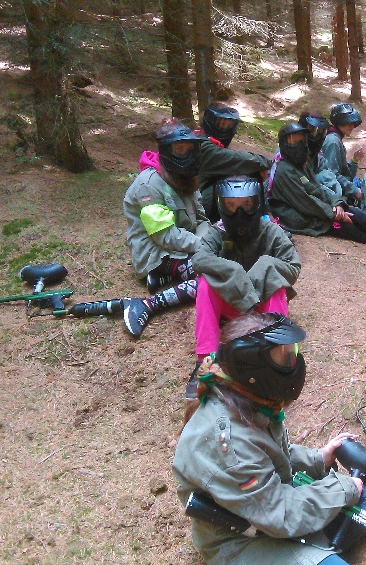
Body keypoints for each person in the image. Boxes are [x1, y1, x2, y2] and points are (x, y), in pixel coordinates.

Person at [172, 312, 366, 565]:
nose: (292, 361)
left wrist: (318, 459)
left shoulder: (248, 399)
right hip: (243, 540)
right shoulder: (231, 443)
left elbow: (272, 456)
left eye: (291, 352)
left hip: (266, 510)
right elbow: (280, 513)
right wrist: (342, 489)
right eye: (284, 356)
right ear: (254, 369)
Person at [186, 175, 301, 399]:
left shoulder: (271, 231)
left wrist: (265, 267)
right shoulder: (218, 232)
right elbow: (199, 260)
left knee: (277, 286)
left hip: (262, 309)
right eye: (231, 206)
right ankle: (205, 360)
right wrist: (233, 271)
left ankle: (278, 352)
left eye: (246, 205)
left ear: (257, 203)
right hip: (231, 306)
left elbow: (293, 266)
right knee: (205, 285)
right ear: (221, 205)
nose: (239, 213)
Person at [122, 119, 210, 338]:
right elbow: (164, 235)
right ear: (166, 150)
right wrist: (204, 246)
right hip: (157, 252)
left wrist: (209, 242)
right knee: (211, 277)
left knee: (222, 258)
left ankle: (160, 279)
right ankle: (148, 304)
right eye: (180, 148)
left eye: (190, 148)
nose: (187, 154)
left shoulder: (185, 178)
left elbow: (202, 219)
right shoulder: (149, 184)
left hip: (184, 245)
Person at [269, 123, 366, 246]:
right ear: (284, 144)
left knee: (352, 212)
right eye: (294, 141)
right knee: (345, 226)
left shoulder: (300, 165)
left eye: (302, 141)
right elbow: (305, 201)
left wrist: (337, 203)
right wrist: (334, 214)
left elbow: (318, 188)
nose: (299, 145)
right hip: (298, 217)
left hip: (314, 211)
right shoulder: (284, 170)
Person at [197, 102, 273, 223]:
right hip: (199, 205)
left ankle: (261, 218)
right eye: (221, 124)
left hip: (201, 200)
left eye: (229, 125)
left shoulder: (207, 142)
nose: (225, 129)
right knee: (245, 176)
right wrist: (264, 162)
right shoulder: (202, 146)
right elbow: (237, 160)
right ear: (210, 122)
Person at [322, 103, 364, 206]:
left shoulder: (336, 138)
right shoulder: (333, 142)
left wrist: (354, 161)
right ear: (339, 122)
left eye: (353, 123)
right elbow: (331, 176)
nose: (352, 126)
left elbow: (344, 174)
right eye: (347, 123)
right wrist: (355, 191)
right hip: (334, 196)